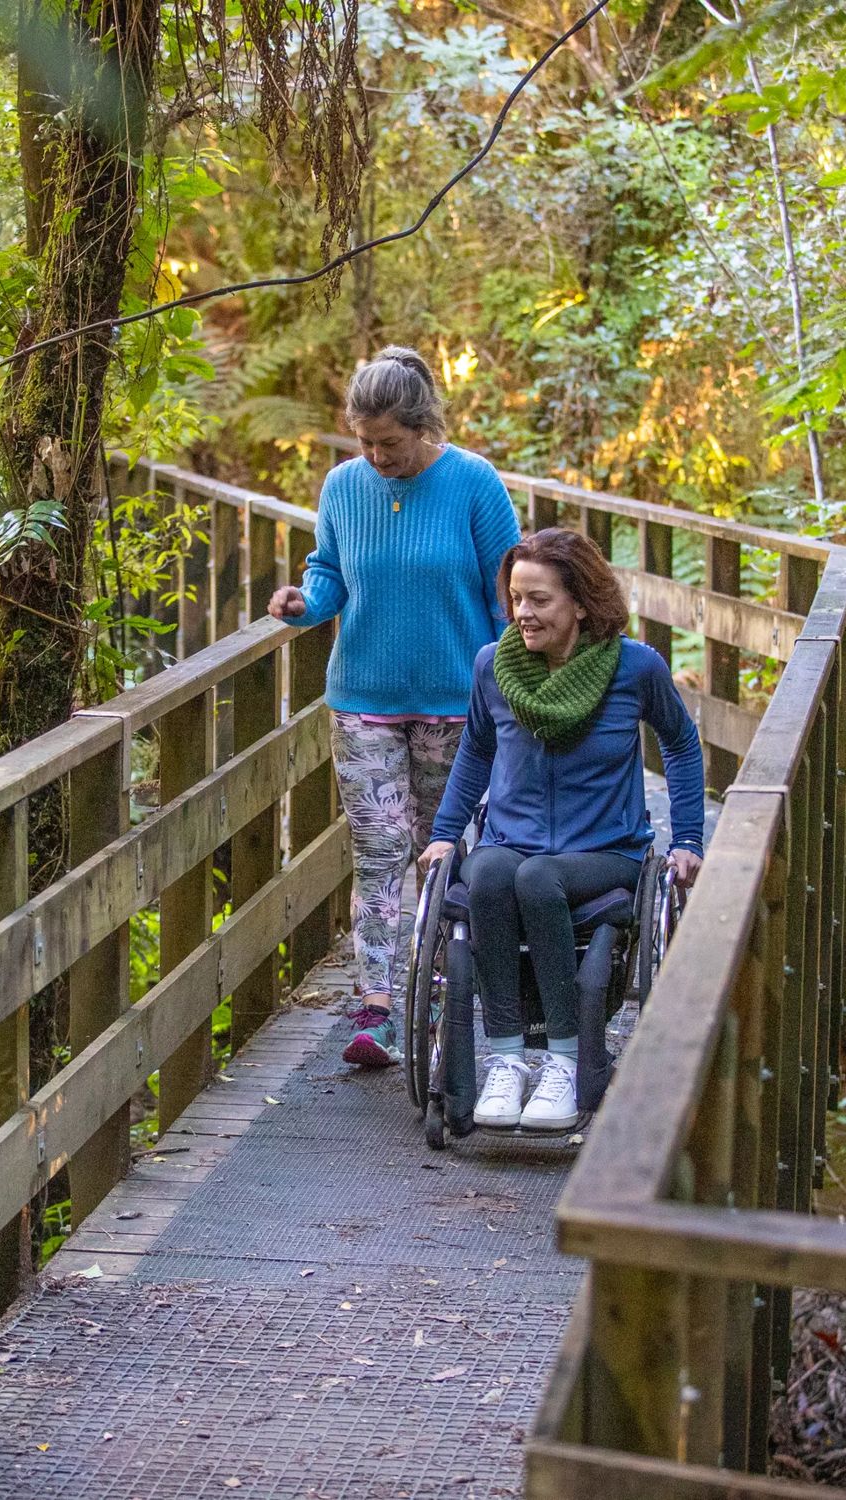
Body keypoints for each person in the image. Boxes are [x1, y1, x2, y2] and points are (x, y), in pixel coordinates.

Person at [268, 346, 520, 1068]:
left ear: (423, 426)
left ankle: (442, 991)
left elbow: (508, 593)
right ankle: (376, 1009)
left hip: (455, 706)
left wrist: (512, 691)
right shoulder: (343, 487)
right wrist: (303, 603)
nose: (376, 456)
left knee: (445, 855)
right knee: (380, 852)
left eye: (391, 443)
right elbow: (329, 574)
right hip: (364, 703)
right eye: (365, 441)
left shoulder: (473, 482)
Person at [419, 527, 705, 1130]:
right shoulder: (494, 667)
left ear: (581, 602)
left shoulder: (635, 667)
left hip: (605, 851)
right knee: (491, 869)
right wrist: (446, 833)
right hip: (511, 841)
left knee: (537, 877)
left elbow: (680, 743)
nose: (523, 613)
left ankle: (566, 1061)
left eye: (539, 600)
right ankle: (506, 1060)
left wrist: (687, 840)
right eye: (516, 598)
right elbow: (475, 751)